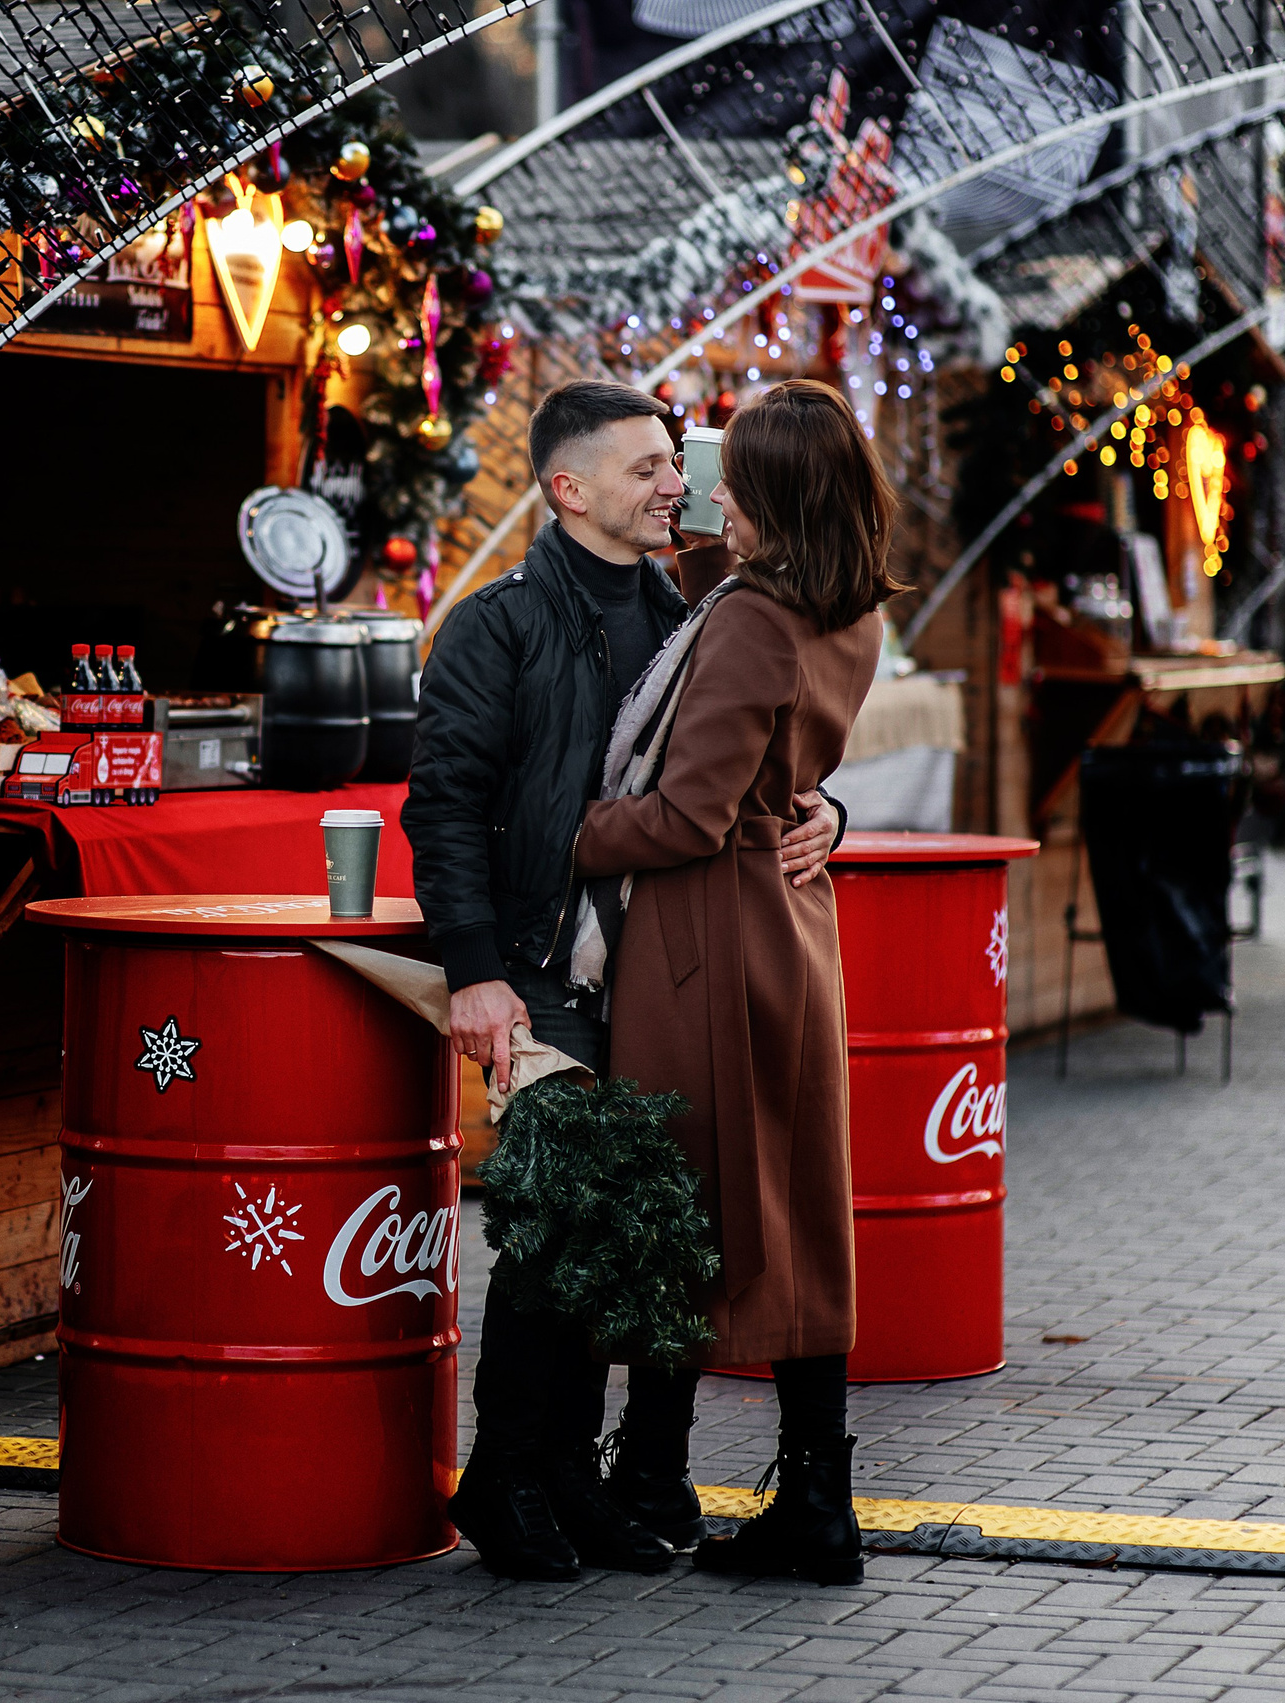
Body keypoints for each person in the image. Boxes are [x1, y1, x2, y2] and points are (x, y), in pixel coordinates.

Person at [404, 380, 844, 1582]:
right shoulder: (495, 625)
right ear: (568, 488)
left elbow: (759, 755)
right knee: (555, 1228)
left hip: (654, 968)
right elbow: (440, 806)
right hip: (542, 966)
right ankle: (504, 1473)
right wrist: (475, 973)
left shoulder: (685, 610)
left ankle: (568, 1473)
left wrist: (826, 813)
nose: (676, 484)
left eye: (675, 463)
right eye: (648, 466)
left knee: (622, 1234)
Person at [570, 377, 897, 1585]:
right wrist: (827, 812)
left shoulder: (753, 618)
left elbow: (689, 813)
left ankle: (653, 1475)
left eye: (732, 484)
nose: (711, 497)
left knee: (680, 1202)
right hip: (791, 928)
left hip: (706, 938)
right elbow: (779, 763)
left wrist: (566, 833)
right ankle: (814, 1489)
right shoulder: (843, 607)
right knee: (795, 1208)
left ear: (775, 501)